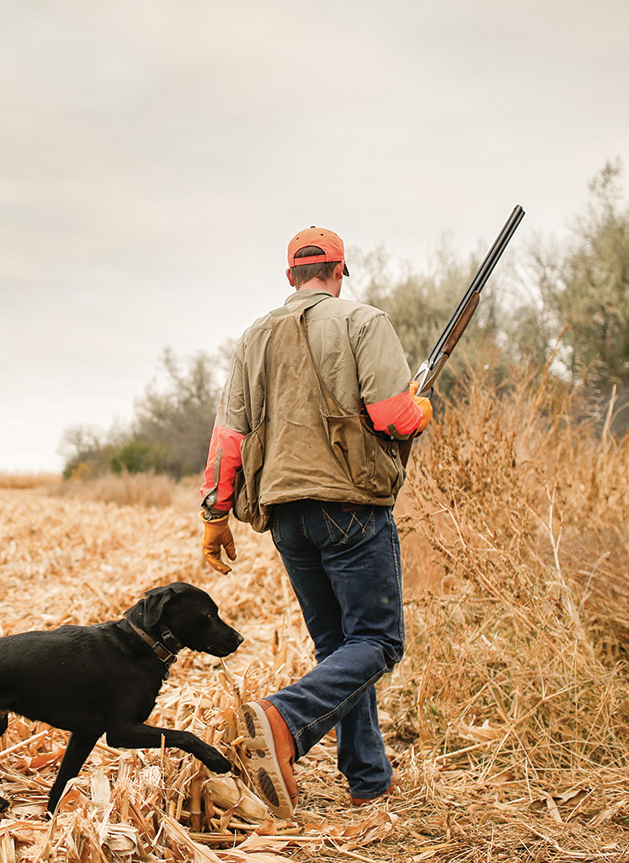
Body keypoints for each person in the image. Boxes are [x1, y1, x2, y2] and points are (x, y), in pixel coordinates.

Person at [196, 226, 431, 817]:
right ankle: (284, 720)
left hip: (285, 518)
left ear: (290, 277)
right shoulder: (363, 321)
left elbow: (230, 436)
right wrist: (422, 408)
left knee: (339, 649)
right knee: (377, 642)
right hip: (349, 506)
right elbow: (392, 415)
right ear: (340, 271)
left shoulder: (254, 336)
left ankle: (368, 779)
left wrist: (215, 516)